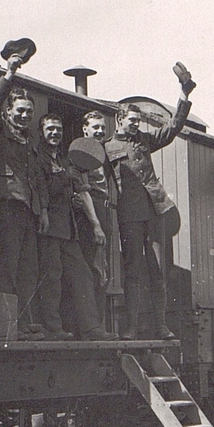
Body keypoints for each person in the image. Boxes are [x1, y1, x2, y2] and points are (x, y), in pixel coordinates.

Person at [104, 62, 195, 340]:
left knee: (158, 271)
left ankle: (160, 326)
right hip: (129, 217)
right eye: (131, 120)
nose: (135, 124)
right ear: (120, 120)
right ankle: (131, 327)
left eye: (137, 120)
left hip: (155, 213)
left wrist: (184, 96)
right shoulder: (107, 148)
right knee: (133, 272)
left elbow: (173, 127)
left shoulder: (145, 140)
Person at [0, 47, 47, 341]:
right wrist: (9, 74)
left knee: (28, 270)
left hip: (27, 210)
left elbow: (36, 179)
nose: (24, 116)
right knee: (6, 268)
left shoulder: (29, 141)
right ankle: (9, 326)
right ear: (8, 112)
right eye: (20, 111)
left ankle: (24, 323)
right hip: (3, 204)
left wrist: (42, 210)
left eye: (29, 113)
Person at [36, 113, 118, 341]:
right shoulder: (38, 158)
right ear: (41, 132)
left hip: (68, 228)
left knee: (83, 275)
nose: (55, 133)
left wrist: (87, 215)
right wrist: (64, 180)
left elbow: (79, 189)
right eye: (50, 128)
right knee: (52, 277)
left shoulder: (63, 160)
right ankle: (53, 329)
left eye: (58, 129)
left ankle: (91, 328)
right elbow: (42, 189)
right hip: (49, 227)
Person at [73, 111, 115, 330]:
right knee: (94, 270)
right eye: (95, 127)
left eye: (102, 128)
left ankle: (97, 326)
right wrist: (96, 224)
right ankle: (92, 327)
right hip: (92, 214)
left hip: (104, 211)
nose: (99, 131)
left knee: (102, 272)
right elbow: (83, 191)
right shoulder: (82, 153)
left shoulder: (100, 153)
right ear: (85, 129)